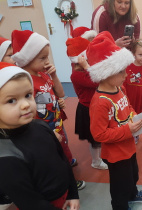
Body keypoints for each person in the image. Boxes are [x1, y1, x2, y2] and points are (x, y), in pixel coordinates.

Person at [10, 30, 85, 190]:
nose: (47, 61)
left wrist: (55, 76)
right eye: (42, 58)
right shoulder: (27, 82)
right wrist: (47, 132)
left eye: (47, 57)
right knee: (52, 156)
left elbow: (61, 93)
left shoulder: (43, 75)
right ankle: (66, 182)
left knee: (63, 147)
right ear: (27, 59)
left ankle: (67, 163)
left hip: (56, 122)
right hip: (43, 128)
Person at [0, 62, 80, 210]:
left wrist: (72, 193)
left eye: (28, 95)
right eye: (11, 100)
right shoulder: (6, 154)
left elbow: (62, 159)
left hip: (64, 195)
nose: (25, 105)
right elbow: (29, 202)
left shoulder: (40, 125)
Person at [86, 31, 142, 210]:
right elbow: (99, 134)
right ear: (106, 73)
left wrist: (135, 117)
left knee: (133, 175)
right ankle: (121, 205)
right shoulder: (100, 102)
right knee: (119, 186)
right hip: (115, 154)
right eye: (121, 71)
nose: (126, 75)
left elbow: (127, 107)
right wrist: (128, 130)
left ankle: (133, 193)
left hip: (129, 146)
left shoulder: (119, 88)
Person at [66, 36, 108, 170]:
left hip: (97, 107)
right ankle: (96, 161)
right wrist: (86, 66)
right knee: (95, 139)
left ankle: (101, 156)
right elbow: (96, 81)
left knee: (101, 135)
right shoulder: (76, 75)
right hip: (88, 110)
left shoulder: (87, 69)